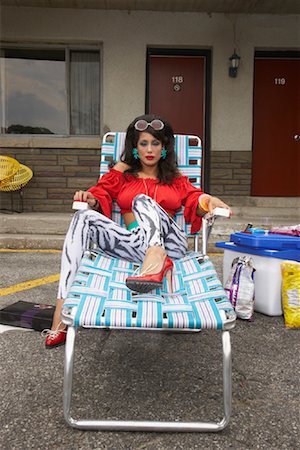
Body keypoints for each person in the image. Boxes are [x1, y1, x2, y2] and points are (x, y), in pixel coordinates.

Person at [44, 114, 231, 348]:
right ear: (135, 147)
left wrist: (208, 200)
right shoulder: (123, 177)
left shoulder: (174, 179)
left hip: (170, 248)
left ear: (164, 148)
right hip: (134, 245)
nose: (149, 150)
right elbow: (101, 192)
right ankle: (60, 317)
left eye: (155, 143)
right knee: (82, 217)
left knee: (142, 200)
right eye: (143, 143)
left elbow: (194, 196)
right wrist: (91, 198)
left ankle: (157, 258)